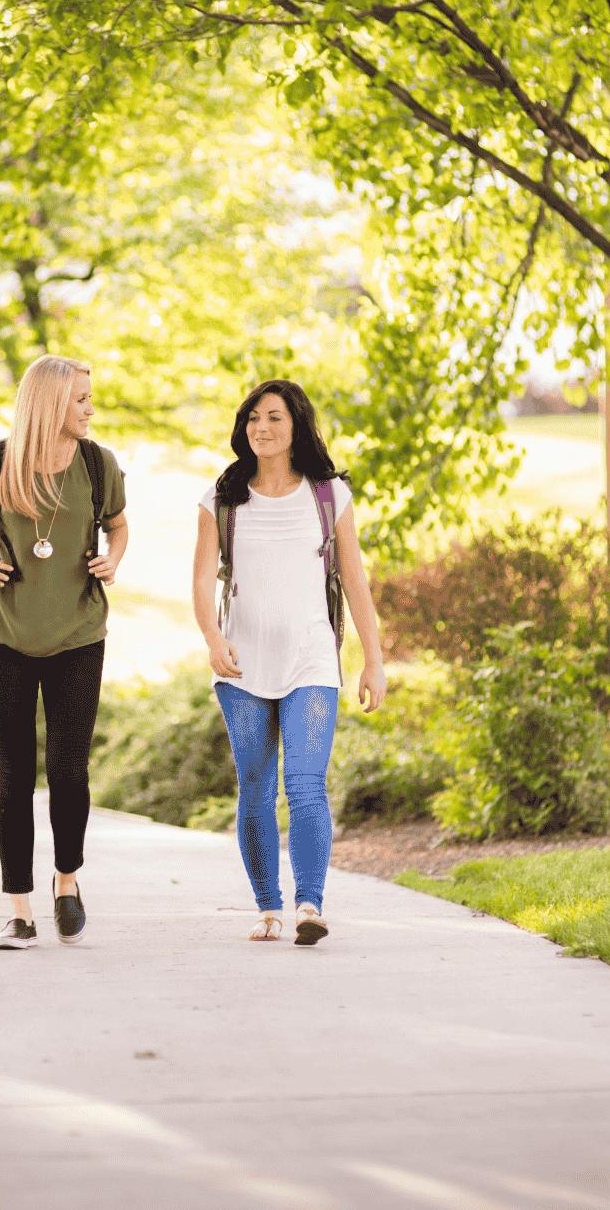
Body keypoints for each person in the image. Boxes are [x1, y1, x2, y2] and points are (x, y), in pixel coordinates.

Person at [0, 356, 128, 950]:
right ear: (50, 405)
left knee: (70, 771)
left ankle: (66, 882)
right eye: (80, 401)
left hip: (78, 636)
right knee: (14, 774)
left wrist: (112, 559)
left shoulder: (98, 465)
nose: (90, 410)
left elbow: (119, 526)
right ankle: (19, 910)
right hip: (3, 638)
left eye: (89, 399)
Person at [192, 380, 386, 946]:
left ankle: (309, 905)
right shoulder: (221, 499)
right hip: (242, 665)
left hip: (311, 661)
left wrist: (373, 662)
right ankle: (268, 907)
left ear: (296, 425)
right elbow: (203, 580)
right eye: (253, 418)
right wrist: (212, 637)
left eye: (274, 417)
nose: (262, 428)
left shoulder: (329, 496)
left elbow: (355, 582)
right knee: (255, 786)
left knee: (305, 783)